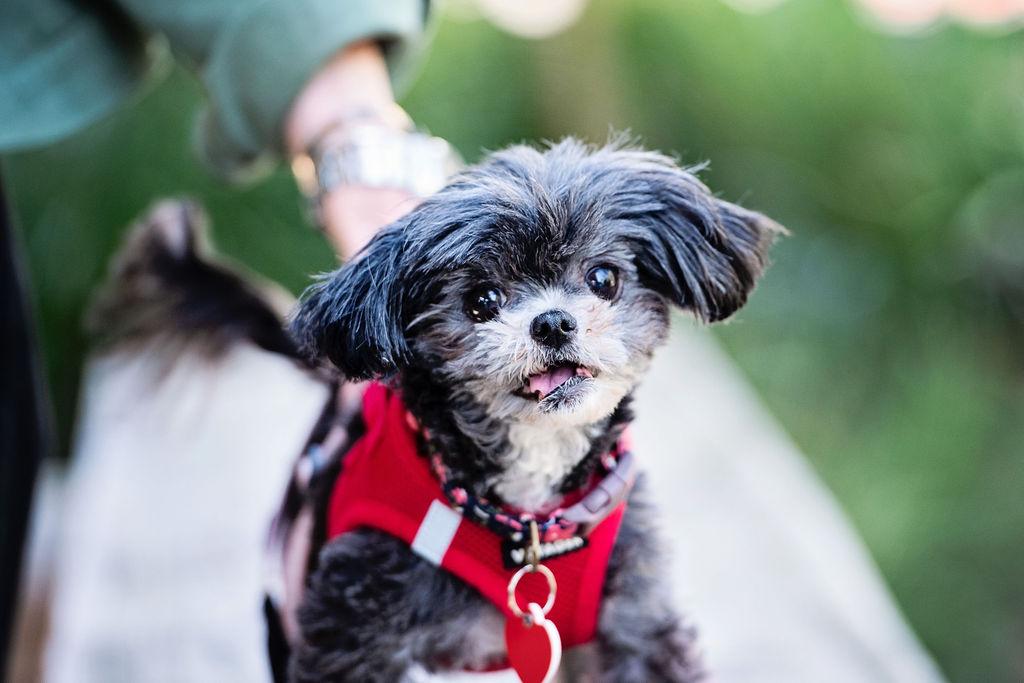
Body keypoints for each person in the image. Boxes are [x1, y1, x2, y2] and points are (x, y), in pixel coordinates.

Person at [1, 2, 946, 681]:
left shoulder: (621, 537)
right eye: (489, 296)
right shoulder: (377, 538)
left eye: (601, 281)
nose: (556, 321)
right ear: (409, 330)